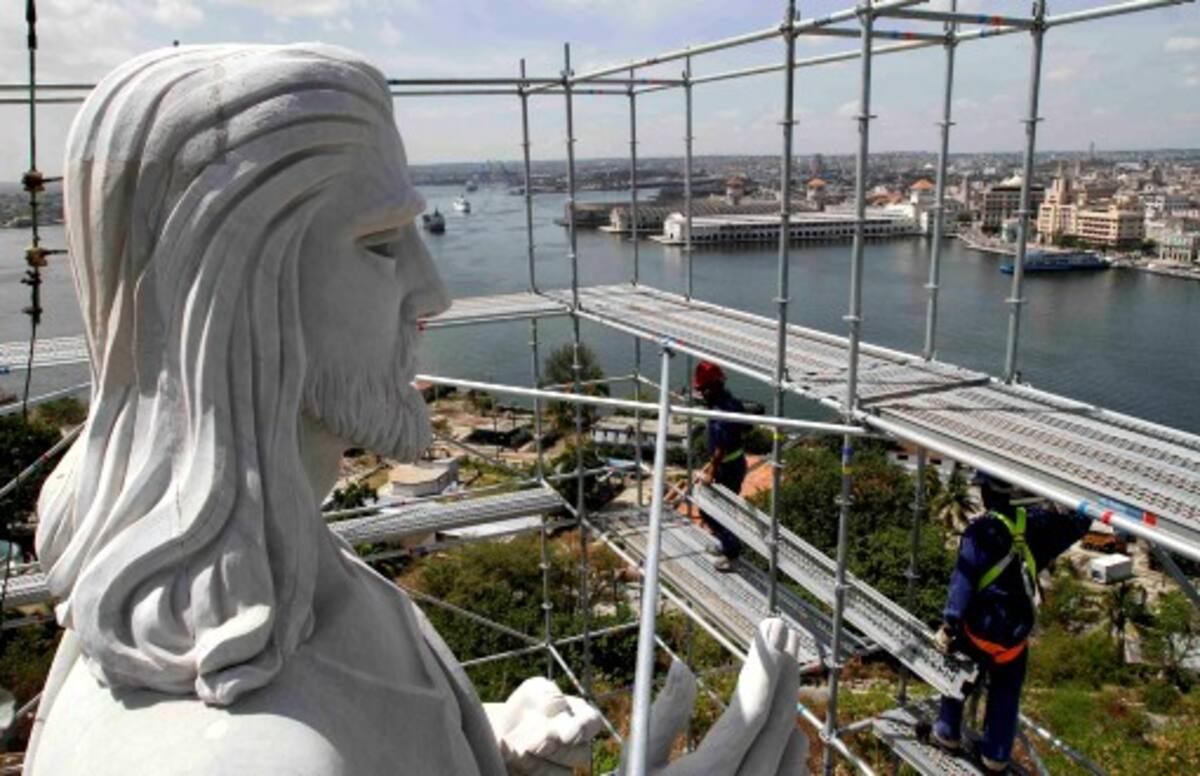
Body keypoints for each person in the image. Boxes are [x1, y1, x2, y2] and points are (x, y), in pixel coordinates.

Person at [930, 472, 1093, 773]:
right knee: (1005, 696)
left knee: (957, 677)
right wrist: (1082, 507)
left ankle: (947, 732)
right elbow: (1077, 523)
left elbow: (962, 584)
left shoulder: (981, 531)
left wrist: (950, 625)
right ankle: (995, 755)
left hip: (978, 629)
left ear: (988, 494)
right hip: (1013, 637)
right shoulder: (1038, 525)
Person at [693, 361, 750, 572]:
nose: (702, 393)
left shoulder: (720, 410)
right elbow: (747, 427)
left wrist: (711, 470)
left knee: (711, 512)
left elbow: (721, 446)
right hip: (735, 463)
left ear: (711, 387)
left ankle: (731, 552)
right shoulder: (732, 402)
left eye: (702, 389)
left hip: (726, 468)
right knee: (723, 509)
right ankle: (726, 545)